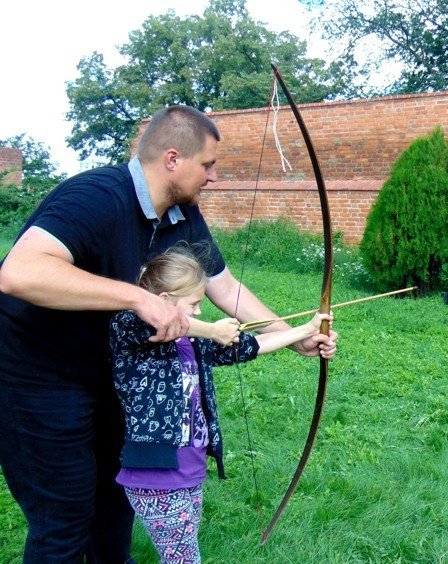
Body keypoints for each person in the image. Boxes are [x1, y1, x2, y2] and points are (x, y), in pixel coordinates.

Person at [0, 105, 338, 563]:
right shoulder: (96, 196)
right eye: (209, 164)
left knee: (112, 509)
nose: (214, 176)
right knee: (63, 519)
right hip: (38, 378)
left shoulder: (183, 216)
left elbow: (225, 286)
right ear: (173, 159)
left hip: (116, 378)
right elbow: (18, 273)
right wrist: (137, 298)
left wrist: (293, 335)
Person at [110, 247, 332, 563]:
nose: (199, 312)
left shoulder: (193, 342)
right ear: (162, 300)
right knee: (183, 559)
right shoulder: (129, 330)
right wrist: (213, 329)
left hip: (189, 470)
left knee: (181, 554)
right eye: (194, 304)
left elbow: (250, 346)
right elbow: (151, 324)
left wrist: (306, 331)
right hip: (154, 474)